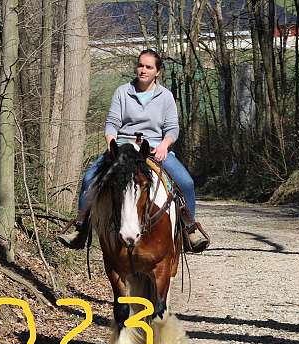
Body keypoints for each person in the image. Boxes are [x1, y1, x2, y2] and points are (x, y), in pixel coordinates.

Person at [57, 49, 209, 253]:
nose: (143, 70)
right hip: (123, 147)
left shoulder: (166, 96)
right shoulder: (122, 91)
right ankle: (80, 229)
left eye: (149, 67)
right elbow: (112, 123)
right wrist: (112, 144)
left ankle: (189, 230)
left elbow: (172, 128)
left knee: (186, 182)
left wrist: (164, 145)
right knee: (89, 178)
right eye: (140, 65)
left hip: (154, 148)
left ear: (157, 72)